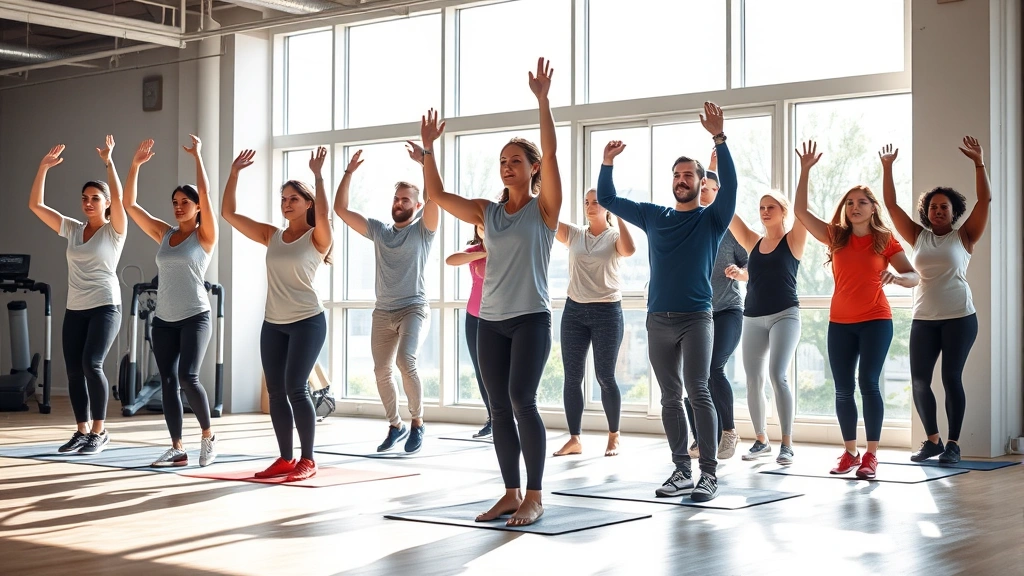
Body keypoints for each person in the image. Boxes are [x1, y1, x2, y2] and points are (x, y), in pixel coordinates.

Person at [419, 58, 559, 526]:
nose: (505, 167)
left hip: (530, 319)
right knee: (498, 407)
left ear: (532, 167)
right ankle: (509, 492)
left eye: (515, 161)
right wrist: (428, 152)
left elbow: (555, 156)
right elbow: (437, 197)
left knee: (522, 400)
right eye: (501, 162)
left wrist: (542, 101)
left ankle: (535, 496)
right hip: (490, 321)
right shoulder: (487, 212)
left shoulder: (545, 209)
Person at [597, 102, 734, 503]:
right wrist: (607, 161)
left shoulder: (711, 219)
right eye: (676, 175)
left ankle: (708, 474)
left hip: (696, 318)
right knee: (669, 397)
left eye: (688, 174)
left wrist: (719, 139)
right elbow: (606, 196)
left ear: (700, 181)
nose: (681, 179)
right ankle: (681, 469)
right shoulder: (655, 215)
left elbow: (733, 187)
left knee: (699, 391)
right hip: (658, 319)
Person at [793, 140, 919, 479]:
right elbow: (801, 213)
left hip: (876, 321)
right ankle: (850, 453)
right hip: (840, 324)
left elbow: (914, 275)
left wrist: (897, 277)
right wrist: (805, 171)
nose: (855, 207)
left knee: (869, 383)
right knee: (842, 388)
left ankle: (871, 456)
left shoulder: (884, 240)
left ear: (873, 208)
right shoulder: (836, 236)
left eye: (862, 202)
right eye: (850, 203)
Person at [221, 147, 332, 482]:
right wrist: (234, 173)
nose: (286, 204)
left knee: (296, 386)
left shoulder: (318, 236)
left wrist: (318, 176)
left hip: (307, 322)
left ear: (308, 202)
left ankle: (308, 460)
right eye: (283, 199)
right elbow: (228, 213)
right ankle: (285, 458)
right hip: (273, 324)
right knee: (276, 391)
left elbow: (326, 216)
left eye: (294, 199)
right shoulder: (272, 236)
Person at [879, 138, 989, 464]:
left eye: (944, 207)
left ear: (954, 212)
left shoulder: (965, 235)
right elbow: (891, 205)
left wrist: (978, 163)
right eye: (933, 207)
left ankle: (953, 444)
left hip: (960, 317)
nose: (938, 211)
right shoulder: (918, 236)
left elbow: (985, 199)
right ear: (926, 213)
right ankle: (933, 441)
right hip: (924, 317)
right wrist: (887, 168)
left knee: (950, 378)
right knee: (919, 381)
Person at [333, 142, 438, 454]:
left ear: (417, 206)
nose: (399, 202)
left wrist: (425, 161)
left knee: (406, 361)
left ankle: (417, 423)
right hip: (383, 311)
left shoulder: (423, 230)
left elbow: (436, 199)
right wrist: (349, 172)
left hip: (414, 308)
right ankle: (395, 424)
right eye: (396, 198)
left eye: (406, 199)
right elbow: (340, 210)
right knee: (381, 371)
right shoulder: (380, 231)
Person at [122, 136, 219, 467]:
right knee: (167, 382)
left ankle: (208, 437)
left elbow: (207, 193)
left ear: (197, 207)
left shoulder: (204, 236)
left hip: (195, 316)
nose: (178, 206)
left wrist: (198, 157)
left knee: (188, 377)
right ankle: (177, 447)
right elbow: (130, 205)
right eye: (175, 201)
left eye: (185, 202)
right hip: (163, 320)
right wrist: (134, 165)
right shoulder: (164, 234)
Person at [29, 137, 126, 455]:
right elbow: (36, 206)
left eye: (95, 198)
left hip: (105, 306)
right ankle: (82, 431)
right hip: (76, 308)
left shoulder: (115, 230)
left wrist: (108, 163)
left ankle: (100, 432)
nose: (88, 203)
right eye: (84, 198)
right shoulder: (71, 228)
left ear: (107, 203)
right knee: (73, 369)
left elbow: (121, 201)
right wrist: (43, 168)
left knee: (91, 364)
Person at [551, 188, 635, 458]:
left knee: (605, 376)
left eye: (596, 202)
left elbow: (630, 249)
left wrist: (619, 212)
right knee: (572, 378)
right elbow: (545, 215)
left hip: (607, 312)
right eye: (586, 202)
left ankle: (614, 436)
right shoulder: (574, 234)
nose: (590, 206)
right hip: (574, 311)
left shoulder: (614, 237)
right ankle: (575, 438)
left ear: (607, 206)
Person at [728, 192, 807, 465]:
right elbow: (728, 214)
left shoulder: (794, 240)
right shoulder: (753, 241)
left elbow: (803, 209)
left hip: (785, 315)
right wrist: (714, 177)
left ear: (783, 211)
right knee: (753, 380)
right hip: (752, 317)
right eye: (761, 207)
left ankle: (787, 443)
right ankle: (762, 440)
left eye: (770, 207)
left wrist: (805, 170)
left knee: (778, 375)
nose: (764, 211)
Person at [683, 168, 746, 461]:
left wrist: (740, 272)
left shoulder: (730, 228)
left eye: (708, 186)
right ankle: (701, 437)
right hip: (697, 313)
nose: (703, 189)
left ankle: (729, 431)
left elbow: (753, 264)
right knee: (694, 375)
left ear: (718, 192)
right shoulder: (690, 224)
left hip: (728, 310)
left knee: (714, 368)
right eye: (701, 185)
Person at [446, 224, 492, 438]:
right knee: (481, 370)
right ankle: (493, 419)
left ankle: (509, 417)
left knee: (503, 372)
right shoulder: (474, 252)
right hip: (474, 317)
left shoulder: (507, 249)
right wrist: (484, 251)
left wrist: (495, 249)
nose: (484, 228)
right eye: (480, 225)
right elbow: (451, 260)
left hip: (498, 318)